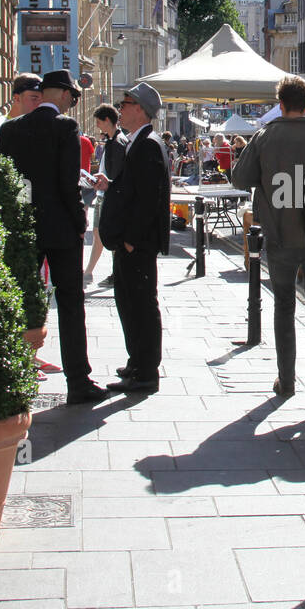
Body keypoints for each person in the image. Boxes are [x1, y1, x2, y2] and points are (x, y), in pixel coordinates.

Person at [231, 75, 305, 417]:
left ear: (280, 104)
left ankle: (286, 380)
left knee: (284, 306)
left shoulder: (265, 136)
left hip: (280, 236)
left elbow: (240, 178)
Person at [0, 70, 105, 405]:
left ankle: (11, 374)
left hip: (23, 228)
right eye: (72, 96)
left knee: (19, 301)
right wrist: (79, 220)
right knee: (70, 304)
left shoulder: (11, 129)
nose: (73, 102)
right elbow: (67, 180)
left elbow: (0, 176)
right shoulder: (65, 127)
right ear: (62, 95)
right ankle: (78, 380)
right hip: (60, 230)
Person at [98, 82, 171, 395]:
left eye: (125, 103)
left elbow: (148, 199)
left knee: (140, 305)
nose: (120, 108)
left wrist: (131, 238)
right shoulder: (135, 141)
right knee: (129, 303)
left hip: (137, 243)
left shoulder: (149, 145)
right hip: (129, 240)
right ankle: (136, 362)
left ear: (140, 109)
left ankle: (145, 371)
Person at [84, 104, 127, 290]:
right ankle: (90, 272)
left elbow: (117, 175)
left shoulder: (117, 143)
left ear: (107, 120)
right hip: (103, 194)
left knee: (107, 235)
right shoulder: (112, 140)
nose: (98, 126)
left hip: (108, 195)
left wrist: (105, 183)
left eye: (99, 121)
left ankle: (114, 272)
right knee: (98, 233)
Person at [0, 74, 42, 164]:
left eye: (42, 99)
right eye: (34, 98)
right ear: (17, 98)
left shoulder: (37, 128)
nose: (39, 104)